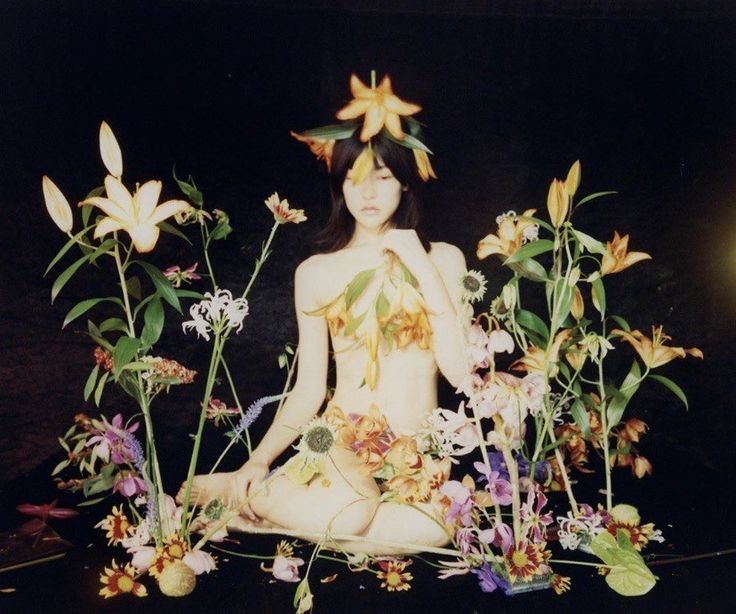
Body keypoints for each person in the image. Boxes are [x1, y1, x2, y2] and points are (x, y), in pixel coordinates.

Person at [179, 74, 469, 554]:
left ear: (404, 181)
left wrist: (418, 263)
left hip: (418, 455)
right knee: (354, 508)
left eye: (382, 177)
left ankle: (262, 512)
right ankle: (256, 486)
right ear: (339, 183)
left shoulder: (444, 259)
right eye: (354, 179)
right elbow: (310, 388)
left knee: (436, 528)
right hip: (343, 447)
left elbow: (462, 374)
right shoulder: (316, 272)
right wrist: (258, 460)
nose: (368, 193)